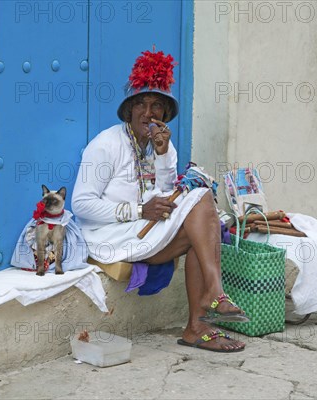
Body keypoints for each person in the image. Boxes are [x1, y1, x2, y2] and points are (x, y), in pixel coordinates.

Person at [72, 49, 247, 353]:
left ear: (164, 115)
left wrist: (165, 156)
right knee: (201, 216)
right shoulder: (106, 145)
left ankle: (197, 325)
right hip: (109, 237)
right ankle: (213, 296)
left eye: (156, 106)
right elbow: (81, 204)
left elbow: (166, 193)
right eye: (140, 104)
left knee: (201, 206)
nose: (148, 113)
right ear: (129, 112)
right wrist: (139, 209)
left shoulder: (161, 145)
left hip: (145, 230)